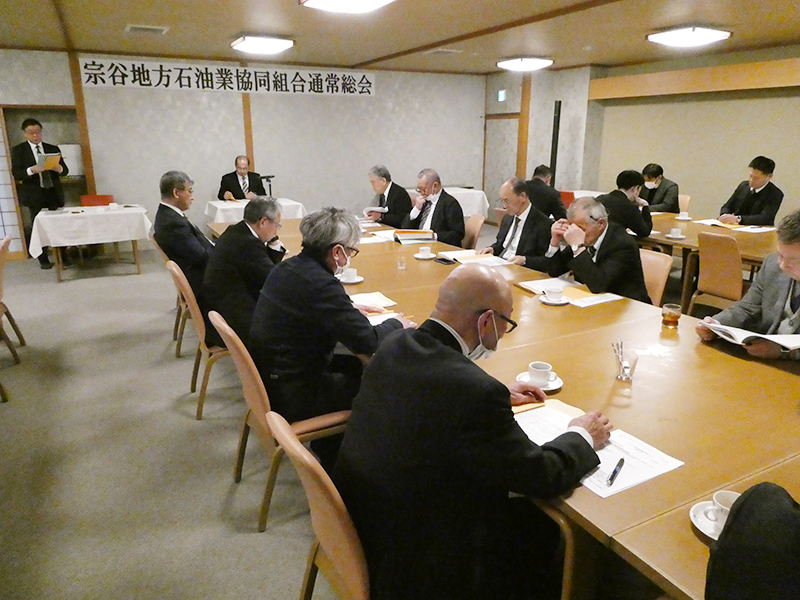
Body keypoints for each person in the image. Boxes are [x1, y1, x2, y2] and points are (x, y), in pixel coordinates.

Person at [334, 263, 611, 600]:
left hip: (362, 521)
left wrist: (496, 391)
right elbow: (541, 475)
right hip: (419, 560)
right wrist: (582, 435)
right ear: (486, 321)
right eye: (506, 323)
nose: (504, 333)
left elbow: (432, 393)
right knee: (541, 523)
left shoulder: (395, 344)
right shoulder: (474, 393)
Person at [249, 207, 415, 466]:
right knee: (385, 383)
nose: (350, 257)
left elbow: (313, 306)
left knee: (356, 365)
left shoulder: (289, 267)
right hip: (293, 393)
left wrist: (345, 308)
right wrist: (397, 323)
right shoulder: (321, 284)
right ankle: (350, 462)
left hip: (273, 375)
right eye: (351, 251)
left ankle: (331, 446)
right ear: (337, 252)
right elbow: (368, 341)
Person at [696, 208, 800, 360]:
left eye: (794, 261)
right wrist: (716, 325)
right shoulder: (772, 265)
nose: (783, 265)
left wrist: (784, 352)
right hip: (763, 360)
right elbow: (748, 307)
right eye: (781, 255)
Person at [202, 197, 285, 347]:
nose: (276, 231)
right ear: (263, 222)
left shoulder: (236, 230)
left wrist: (273, 244)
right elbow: (272, 279)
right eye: (277, 225)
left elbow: (262, 272)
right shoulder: (248, 244)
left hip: (218, 305)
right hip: (231, 317)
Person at [546, 196, 651, 303]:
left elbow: (598, 284)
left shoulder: (622, 244)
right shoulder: (585, 236)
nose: (576, 232)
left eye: (581, 228)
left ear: (600, 223)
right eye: (572, 227)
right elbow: (555, 271)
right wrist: (555, 241)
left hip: (627, 305)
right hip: (590, 300)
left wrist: (578, 248)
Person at [10, 118, 70, 269]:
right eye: (31, 132)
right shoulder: (19, 150)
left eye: (38, 132)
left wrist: (58, 168)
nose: (35, 135)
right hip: (34, 194)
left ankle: (63, 256)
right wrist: (31, 170)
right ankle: (43, 259)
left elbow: (65, 171)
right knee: (39, 227)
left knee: (59, 225)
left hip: (53, 192)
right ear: (25, 133)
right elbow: (16, 173)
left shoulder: (52, 148)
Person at [154, 171, 214, 298]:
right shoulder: (173, 223)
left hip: (198, 271)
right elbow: (202, 257)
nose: (192, 197)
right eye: (190, 191)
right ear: (176, 193)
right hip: (203, 282)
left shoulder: (167, 214)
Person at [478, 176, 552, 271]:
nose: (504, 206)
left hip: (520, 270)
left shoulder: (542, 224)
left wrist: (525, 260)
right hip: (500, 264)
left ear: (522, 197)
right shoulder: (508, 218)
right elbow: (501, 245)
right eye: (502, 201)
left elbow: (547, 261)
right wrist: (492, 249)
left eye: (507, 201)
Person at [401, 168, 465, 247]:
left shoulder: (450, 204)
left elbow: (458, 234)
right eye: (419, 189)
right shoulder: (423, 202)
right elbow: (404, 228)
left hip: (438, 246)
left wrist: (434, 236)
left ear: (435, 186)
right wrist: (416, 209)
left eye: (423, 189)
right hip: (419, 244)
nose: (421, 193)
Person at [719, 156, 783, 226]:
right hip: (736, 227)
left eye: (756, 178)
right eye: (750, 176)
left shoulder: (775, 193)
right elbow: (727, 206)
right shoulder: (743, 186)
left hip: (760, 230)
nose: (751, 180)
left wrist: (738, 219)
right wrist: (725, 215)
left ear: (769, 176)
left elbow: (765, 218)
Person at [597, 170, 652, 238]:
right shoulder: (629, 207)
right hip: (613, 242)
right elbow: (645, 232)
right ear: (634, 188)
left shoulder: (600, 199)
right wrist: (645, 206)